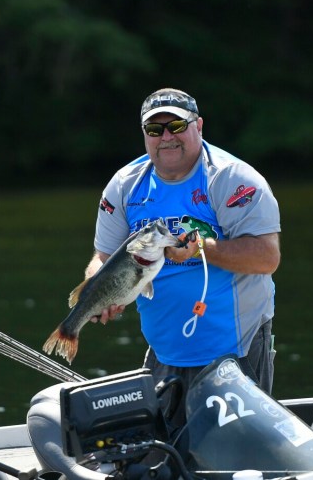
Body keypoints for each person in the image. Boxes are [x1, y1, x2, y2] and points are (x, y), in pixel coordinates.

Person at [87, 87, 280, 419]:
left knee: (230, 461)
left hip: (234, 351)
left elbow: (266, 257)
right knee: (163, 460)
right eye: (154, 129)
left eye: (176, 126)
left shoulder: (231, 179)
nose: (166, 137)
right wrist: (97, 292)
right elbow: (102, 258)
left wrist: (200, 249)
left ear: (199, 126)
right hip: (164, 353)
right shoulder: (124, 185)